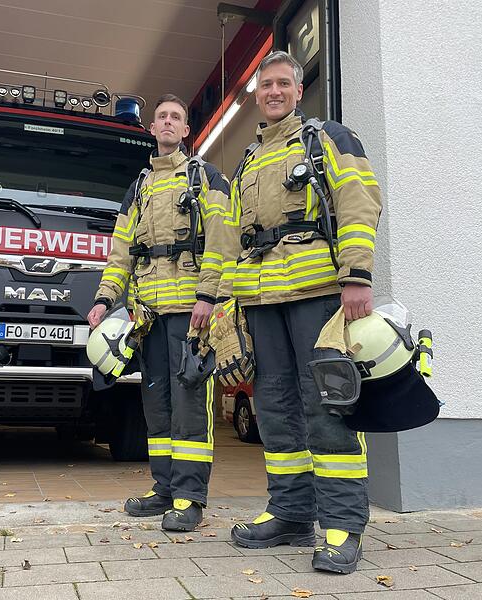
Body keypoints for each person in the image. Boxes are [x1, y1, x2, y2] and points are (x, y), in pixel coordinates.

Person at [219, 51, 382, 574]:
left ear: (297, 88)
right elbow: (227, 239)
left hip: (316, 292)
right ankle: (290, 514)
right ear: (256, 93)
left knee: (327, 408)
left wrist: (356, 276)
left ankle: (341, 526)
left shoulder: (325, 138)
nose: (273, 91)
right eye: (265, 84)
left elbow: (359, 200)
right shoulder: (246, 161)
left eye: (282, 83)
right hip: (261, 301)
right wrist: (223, 298)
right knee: (273, 410)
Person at [87, 94, 237, 531]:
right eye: (162, 118)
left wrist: (209, 298)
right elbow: (120, 254)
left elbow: (221, 242)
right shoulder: (139, 187)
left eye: (176, 118)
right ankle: (164, 488)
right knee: (157, 407)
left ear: (186, 131)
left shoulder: (205, 177)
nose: (168, 123)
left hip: (191, 315)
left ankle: (190, 498)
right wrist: (103, 299)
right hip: (147, 316)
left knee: (191, 407)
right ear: (152, 129)